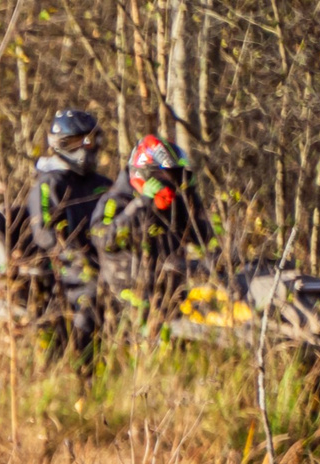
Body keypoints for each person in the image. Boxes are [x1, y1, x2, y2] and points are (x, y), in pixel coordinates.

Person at [26, 109, 112, 359]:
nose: (87, 149)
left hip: (106, 260)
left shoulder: (103, 184)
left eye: (91, 141)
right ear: (60, 145)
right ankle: (85, 365)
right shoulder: (50, 183)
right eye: (78, 142)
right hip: (66, 267)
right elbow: (45, 233)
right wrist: (79, 258)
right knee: (91, 293)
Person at [92, 135, 214, 301]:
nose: (168, 182)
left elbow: (204, 238)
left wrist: (189, 196)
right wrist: (142, 204)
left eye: (173, 176)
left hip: (171, 294)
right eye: (163, 176)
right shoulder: (115, 200)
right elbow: (103, 240)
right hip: (127, 296)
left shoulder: (175, 201)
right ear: (144, 173)